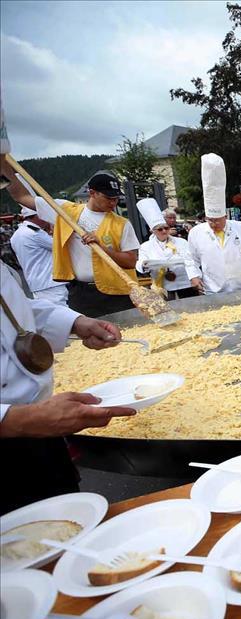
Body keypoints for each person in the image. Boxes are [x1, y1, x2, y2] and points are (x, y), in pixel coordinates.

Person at [1, 261, 136, 514]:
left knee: (66, 521)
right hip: (17, 428)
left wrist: (74, 322)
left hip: (41, 427)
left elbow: (14, 309)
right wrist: (16, 419)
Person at [1, 162, 140, 317]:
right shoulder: (65, 210)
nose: (113, 203)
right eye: (108, 198)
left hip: (117, 293)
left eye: (115, 198)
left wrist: (103, 248)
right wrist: (3, 165)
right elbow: (21, 196)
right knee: (87, 339)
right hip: (81, 293)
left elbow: (130, 261)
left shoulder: (122, 224)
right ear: (92, 193)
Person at [187, 154, 241, 294]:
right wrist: (194, 275)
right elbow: (191, 258)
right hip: (214, 290)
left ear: (225, 216)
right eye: (210, 219)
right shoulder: (196, 233)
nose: (213, 223)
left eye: (217, 220)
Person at [135, 198, 201, 300]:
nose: (164, 231)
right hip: (162, 286)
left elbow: (190, 260)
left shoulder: (181, 242)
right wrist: (144, 265)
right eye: (160, 229)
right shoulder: (145, 246)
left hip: (184, 284)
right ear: (152, 231)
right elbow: (140, 265)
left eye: (166, 228)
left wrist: (194, 277)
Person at [10, 190, 68, 305]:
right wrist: (55, 229)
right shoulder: (35, 233)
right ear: (37, 216)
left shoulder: (16, 234)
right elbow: (60, 246)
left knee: (49, 316)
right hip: (50, 282)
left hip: (36, 283)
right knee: (60, 314)